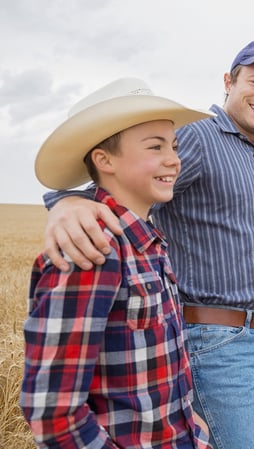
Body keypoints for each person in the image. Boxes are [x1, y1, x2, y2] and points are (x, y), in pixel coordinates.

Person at [39, 41, 254, 449]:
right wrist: (66, 202)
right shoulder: (197, 138)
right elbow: (124, 178)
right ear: (228, 82)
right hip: (216, 340)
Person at [20, 77, 213, 448]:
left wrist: (195, 433)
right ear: (104, 160)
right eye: (155, 147)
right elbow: (53, 412)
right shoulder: (92, 249)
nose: (173, 159)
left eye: (173, 146)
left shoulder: (148, 243)